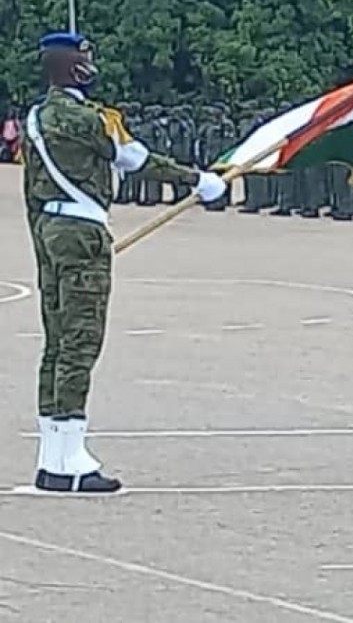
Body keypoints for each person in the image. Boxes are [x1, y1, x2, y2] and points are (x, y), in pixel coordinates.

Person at [20, 32, 226, 493]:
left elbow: (32, 190)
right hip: (83, 232)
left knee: (56, 344)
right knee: (80, 342)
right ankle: (70, 461)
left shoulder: (34, 118)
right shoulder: (88, 119)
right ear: (74, 67)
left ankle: (53, 454)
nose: (92, 65)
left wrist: (41, 243)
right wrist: (196, 181)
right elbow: (136, 160)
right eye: (86, 58)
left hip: (51, 231)